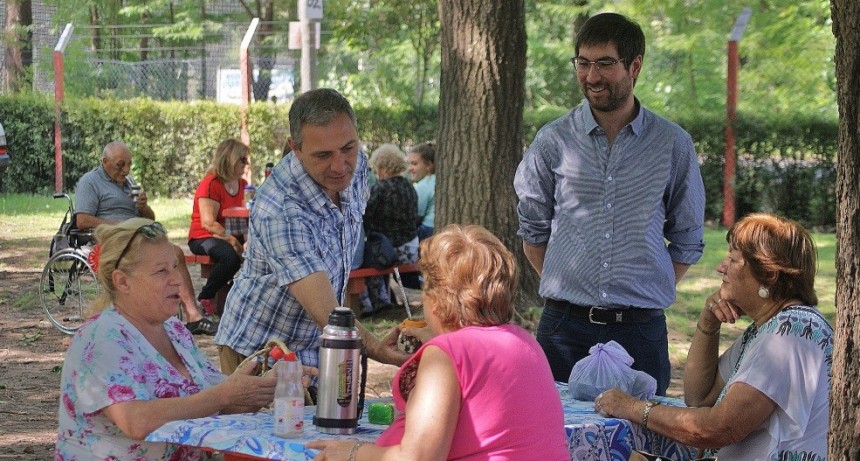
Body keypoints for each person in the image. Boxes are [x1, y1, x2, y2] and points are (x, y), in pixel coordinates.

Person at [513, 12, 706, 394]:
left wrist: (642, 287)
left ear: (635, 66)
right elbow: (533, 232)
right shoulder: (552, 141)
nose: (591, 76)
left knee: (640, 448)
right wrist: (572, 283)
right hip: (563, 331)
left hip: (640, 333)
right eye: (583, 63)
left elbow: (687, 238)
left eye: (604, 63)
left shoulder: (672, 144)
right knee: (556, 446)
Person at [308, 225, 570, 460]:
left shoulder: (445, 355)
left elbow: (418, 457)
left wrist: (353, 452)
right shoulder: (524, 341)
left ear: (435, 297)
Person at [595, 213, 832, 460]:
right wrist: (708, 323)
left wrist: (631, 407)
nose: (721, 267)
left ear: (769, 274)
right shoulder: (768, 329)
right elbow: (699, 398)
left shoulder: (791, 333)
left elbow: (718, 428)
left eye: (733, 258)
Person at [214, 88, 408, 375]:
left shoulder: (357, 168)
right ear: (296, 148)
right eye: (323, 155)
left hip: (318, 346)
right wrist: (378, 348)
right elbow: (325, 312)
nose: (340, 166)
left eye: (348, 148)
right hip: (261, 350)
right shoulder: (279, 207)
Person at [54, 218, 280, 460]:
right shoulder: (100, 337)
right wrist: (225, 394)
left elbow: (219, 405)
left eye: (175, 267)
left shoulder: (175, 331)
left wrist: (273, 385)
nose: (178, 280)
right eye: (162, 271)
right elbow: (135, 421)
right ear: (122, 281)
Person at [75, 141, 218, 335]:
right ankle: (192, 315)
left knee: (172, 253)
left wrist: (143, 206)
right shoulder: (90, 182)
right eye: (120, 165)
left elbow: (150, 219)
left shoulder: (129, 184)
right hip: (111, 238)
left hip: (136, 234)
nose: (125, 170)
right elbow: (82, 220)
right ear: (105, 161)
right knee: (172, 252)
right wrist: (120, 226)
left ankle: (187, 314)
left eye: (128, 164)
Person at [187, 138, 249, 316]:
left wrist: (246, 241)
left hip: (231, 233)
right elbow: (208, 222)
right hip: (203, 236)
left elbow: (246, 216)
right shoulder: (211, 184)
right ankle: (206, 297)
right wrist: (232, 241)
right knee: (230, 257)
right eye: (242, 160)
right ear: (230, 159)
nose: (246, 164)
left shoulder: (243, 185)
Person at [359, 143, 419, 315]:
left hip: (387, 252)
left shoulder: (380, 188)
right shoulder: (409, 187)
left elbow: (366, 218)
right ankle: (387, 296)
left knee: (365, 256)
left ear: (384, 167)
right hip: (410, 250)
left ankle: (378, 301)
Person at [406, 141, 435, 241]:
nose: (410, 168)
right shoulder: (436, 180)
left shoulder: (424, 185)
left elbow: (417, 216)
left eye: (414, 164)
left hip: (427, 230)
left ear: (428, 165)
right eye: (408, 164)